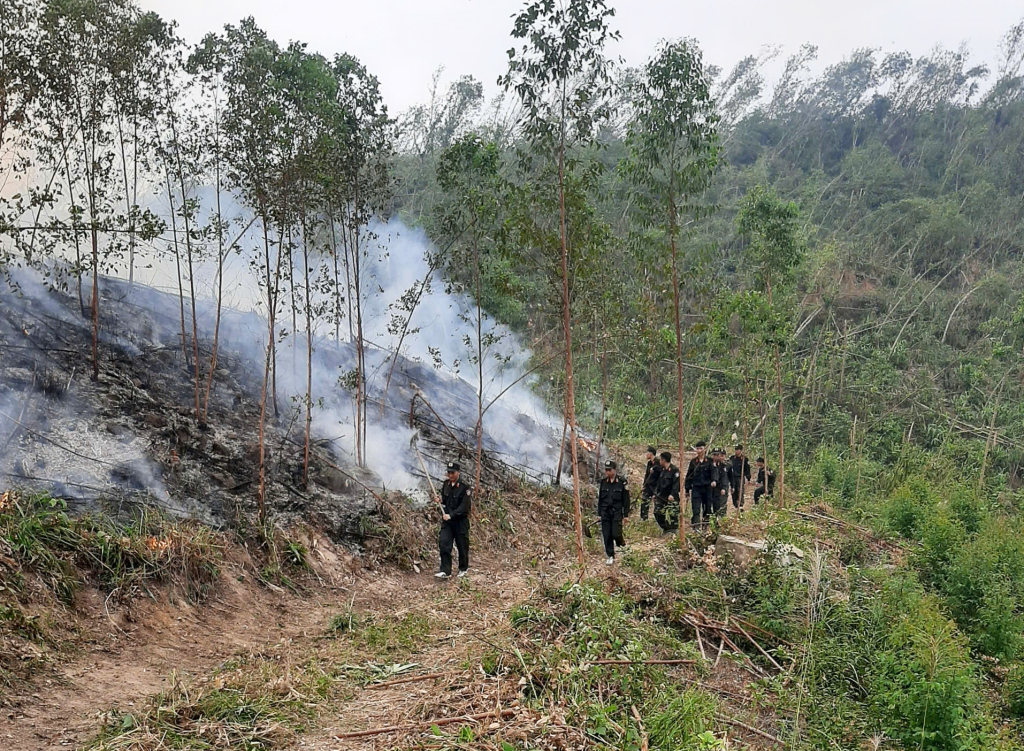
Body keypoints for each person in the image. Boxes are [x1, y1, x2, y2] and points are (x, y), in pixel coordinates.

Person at [435, 462, 472, 579]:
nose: (450, 475)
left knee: (462, 545)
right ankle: (445, 570)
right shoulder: (446, 484)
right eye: (448, 472)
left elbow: (464, 506)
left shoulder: (464, 487)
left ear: (458, 473)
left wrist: (452, 515)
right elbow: (446, 500)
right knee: (444, 543)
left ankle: (463, 568)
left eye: (452, 472)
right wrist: (440, 500)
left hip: (460, 521)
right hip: (448, 522)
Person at [596, 460, 630, 565]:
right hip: (605, 512)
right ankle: (610, 555)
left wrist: (626, 515)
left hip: (617, 512)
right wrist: (599, 514)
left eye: (609, 470)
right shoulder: (603, 482)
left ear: (614, 470)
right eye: (606, 470)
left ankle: (623, 546)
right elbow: (600, 500)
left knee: (616, 533)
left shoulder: (621, 482)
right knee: (607, 535)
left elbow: (626, 500)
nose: (607, 472)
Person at [684, 441, 714, 530]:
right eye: (697, 449)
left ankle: (705, 526)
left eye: (701, 448)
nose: (699, 450)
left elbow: (714, 473)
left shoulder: (709, 461)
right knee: (696, 508)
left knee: (707, 508)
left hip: (707, 488)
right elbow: (689, 476)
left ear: (704, 449)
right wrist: (687, 489)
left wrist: (714, 481)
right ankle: (696, 527)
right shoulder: (693, 462)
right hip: (696, 488)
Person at [653, 451, 681, 534]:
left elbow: (676, 484)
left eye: (660, 460)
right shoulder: (662, 470)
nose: (659, 461)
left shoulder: (674, 470)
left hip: (671, 496)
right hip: (662, 496)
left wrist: (672, 494)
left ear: (664, 460)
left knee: (673, 514)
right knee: (657, 512)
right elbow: (659, 484)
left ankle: (673, 529)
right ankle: (666, 528)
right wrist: (655, 494)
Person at [640, 445, 660, 521]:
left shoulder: (658, 463)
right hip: (648, 486)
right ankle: (643, 519)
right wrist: (644, 485)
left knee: (657, 504)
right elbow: (647, 475)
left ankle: (658, 519)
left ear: (651, 454)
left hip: (655, 486)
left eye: (647, 453)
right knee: (644, 502)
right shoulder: (649, 463)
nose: (646, 454)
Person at [711, 448, 732, 517]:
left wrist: (727, 487)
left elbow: (726, 477)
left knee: (722, 504)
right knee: (714, 505)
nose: (718, 457)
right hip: (712, 488)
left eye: (718, 455)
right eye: (715, 455)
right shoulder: (709, 464)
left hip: (722, 487)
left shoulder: (725, 465)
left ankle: (722, 519)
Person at [730, 445, 751, 511]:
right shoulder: (732, 458)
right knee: (733, 491)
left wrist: (748, 478)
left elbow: (747, 469)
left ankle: (740, 505)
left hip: (740, 477)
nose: (736, 451)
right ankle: (736, 504)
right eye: (735, 449)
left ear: (741, 450)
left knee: (740, 490)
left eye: (738, 449)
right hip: (733, 478)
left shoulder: (744, 459)